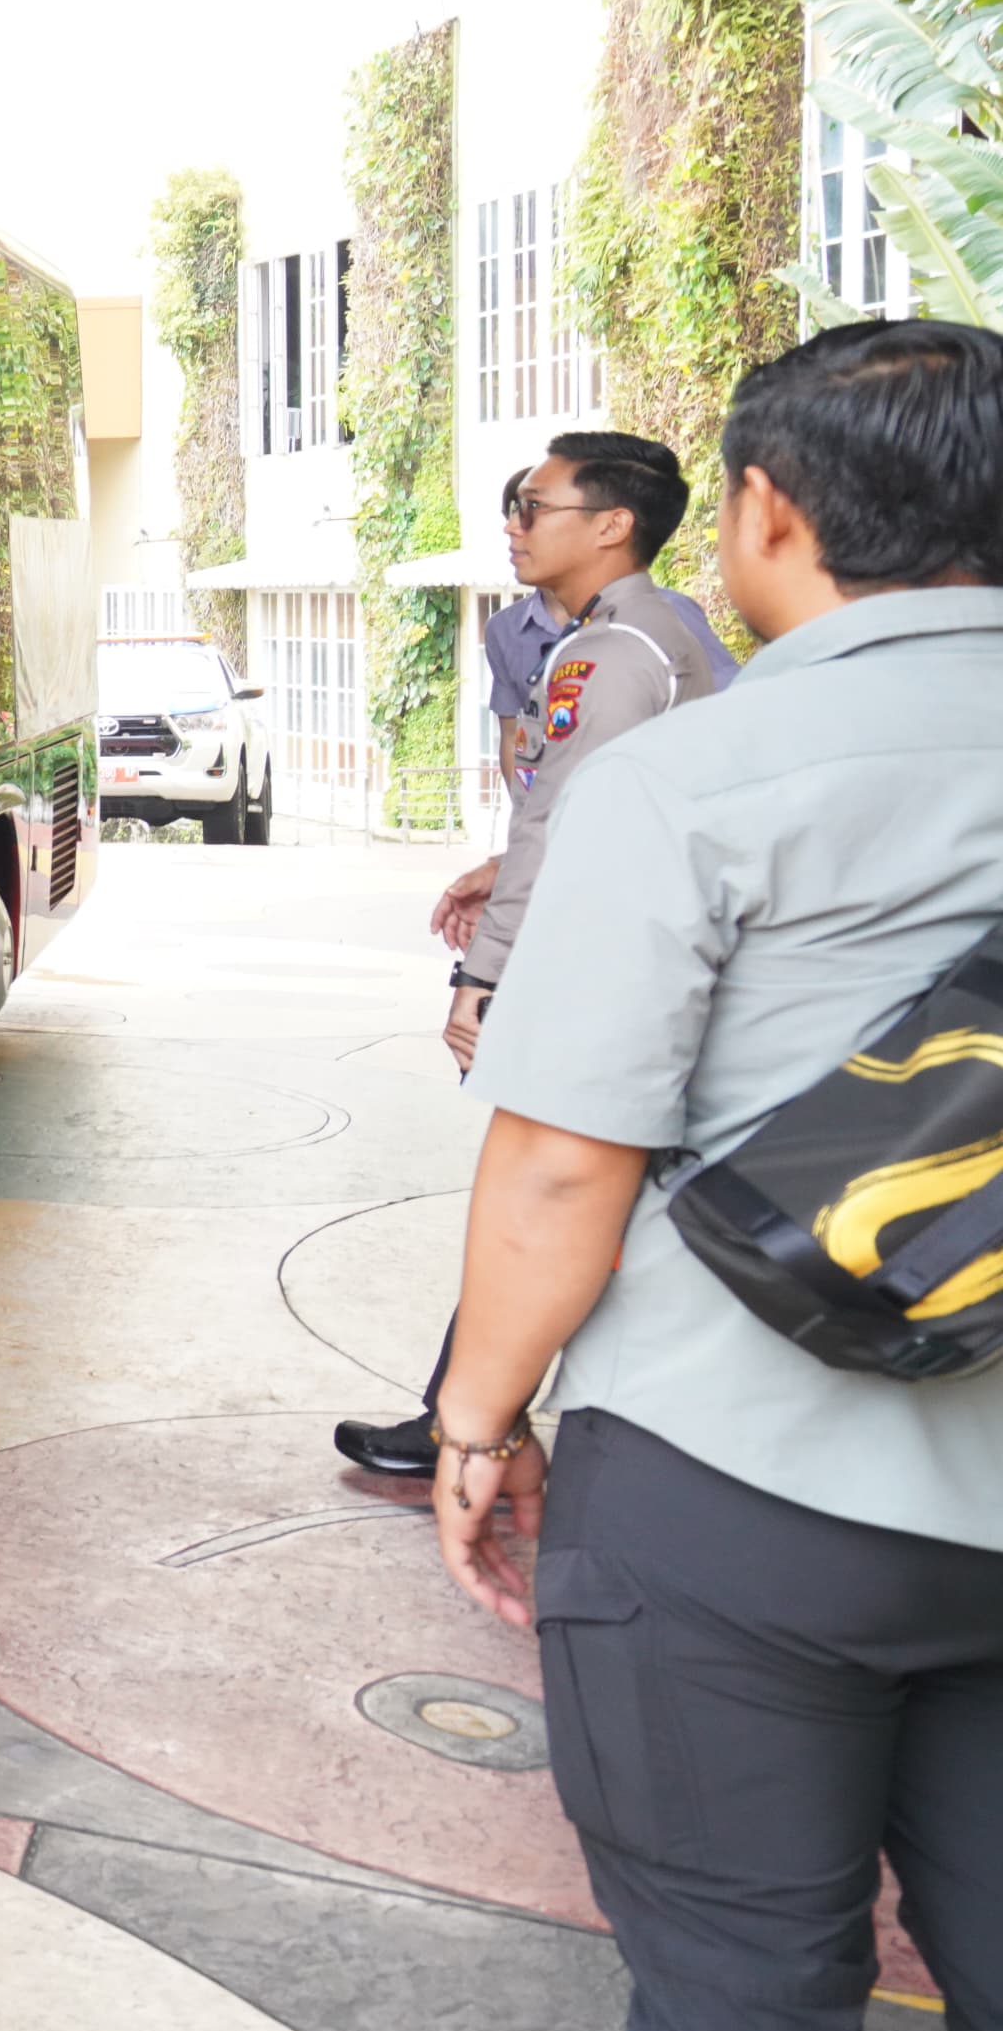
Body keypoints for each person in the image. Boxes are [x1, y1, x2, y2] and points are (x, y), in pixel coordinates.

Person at [429, 319, 1003, 2031]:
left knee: (740, 1992)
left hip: (731, 1478)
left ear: (765, 508)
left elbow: (556, 1161)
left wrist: (478, 1412)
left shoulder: (691, 778)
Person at [338, 430, 735, 1475]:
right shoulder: (659, 634)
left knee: (550, 1193)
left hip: (611, 965)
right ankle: (461, 1413)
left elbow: (562, 821)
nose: (513, 526)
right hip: (655, 953)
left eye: (533, 505)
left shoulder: (611, 651)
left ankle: (475, 1424)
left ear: (610, 525)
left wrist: (482, 977)